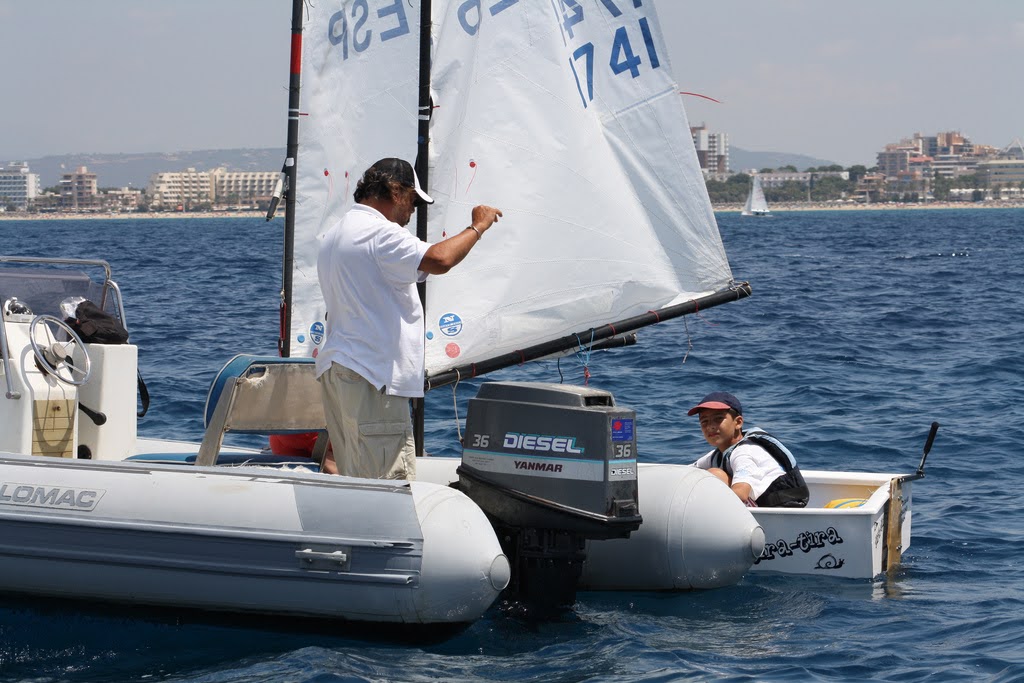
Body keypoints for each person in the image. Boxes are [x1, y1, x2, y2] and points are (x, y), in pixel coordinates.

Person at [315, 157, 502, 480]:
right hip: (372, 378)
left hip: (342, 372)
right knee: (388, 487)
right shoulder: (379, 233)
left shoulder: (336, 233)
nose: (412, 211)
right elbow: (440, 259)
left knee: (357, 481)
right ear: (395, 191)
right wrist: (478, 226)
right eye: (413, 200)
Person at [688, 391, 808, 507]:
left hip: (781, 512)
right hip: (758, 507)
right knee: (701, 475)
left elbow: (741, 494)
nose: (710, 426)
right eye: (704, 421)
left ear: (738, 422)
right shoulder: (719, 455)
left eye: (718, 419)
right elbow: (686, 472)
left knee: (715, 475)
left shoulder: (745, 453)